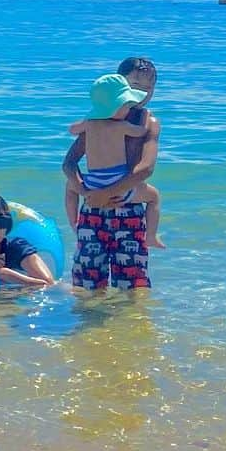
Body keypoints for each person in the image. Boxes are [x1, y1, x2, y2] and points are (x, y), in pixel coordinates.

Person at [63, 64, 162, 292]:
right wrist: (86, 192)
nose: (145, 92)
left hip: (127, 208)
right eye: (137, 85)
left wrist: (104, 194)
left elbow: (146, 168)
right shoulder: (97, 122)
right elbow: (69, 163)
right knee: (86, 285)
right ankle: (89, 328)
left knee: (133, 285)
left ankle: (129, 327)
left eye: (150, 86)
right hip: (93, 206)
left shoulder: (149, 123)